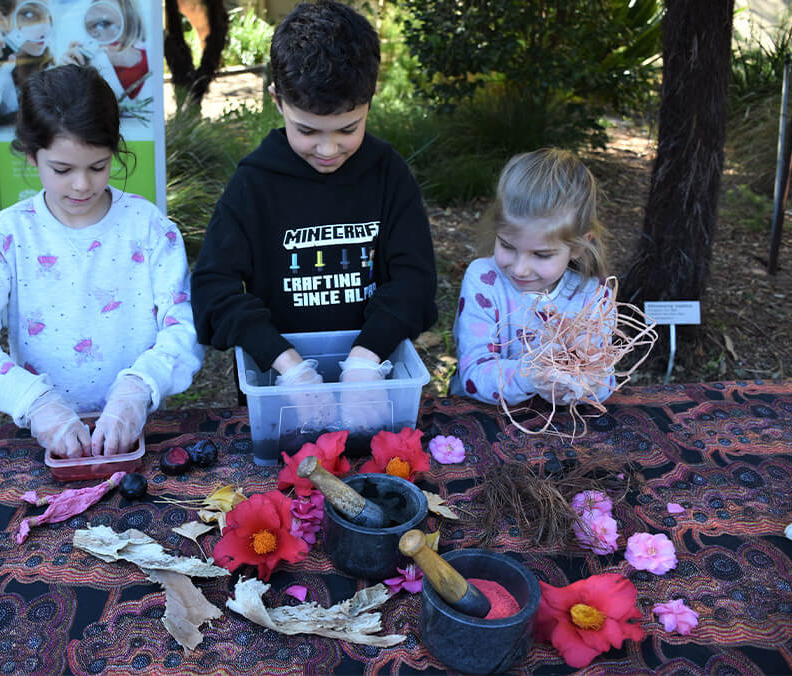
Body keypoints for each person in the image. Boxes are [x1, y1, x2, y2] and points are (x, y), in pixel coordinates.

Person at [191, 0, 437, 434]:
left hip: (372, 380)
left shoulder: (388, 174)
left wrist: (366, 359)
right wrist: (288, 367)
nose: (328, 150)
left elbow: (415, 281)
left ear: (369, 101)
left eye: (348, 129)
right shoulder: (255, 183)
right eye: (307, 131)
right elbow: (214, 289)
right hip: (282, 391)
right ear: (277, 101)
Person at [0, 64, 202, 458]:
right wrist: (35, 401)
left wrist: (137, 388)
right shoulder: (8, 237)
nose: (82, 185)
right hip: (42, 439)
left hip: (138, 433)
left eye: (97, 166)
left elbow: (183, 323)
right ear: (32, 155)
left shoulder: (148, 227)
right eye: (62, 170)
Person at [450, 148, 615, 406]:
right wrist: (532, 375)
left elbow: (606, 382)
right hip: (481, 416)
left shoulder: (593, 293)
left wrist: (583, 384)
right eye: (507, 246)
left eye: (541, 254)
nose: (520, 269)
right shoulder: (484, 282)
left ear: (579, 246)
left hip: (559, 429)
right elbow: (473, 376)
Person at [61, 0, 151, 102]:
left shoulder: (149, 60)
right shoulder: (89, 60)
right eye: (92, 25)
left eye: (104, 24)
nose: (95, 32)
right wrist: (67, 77)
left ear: (130, 24)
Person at [0, 0, 55, 125]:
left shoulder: (56, 67)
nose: (45, 28)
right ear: (1, 20)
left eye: (49, 17)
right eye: (29, 15)